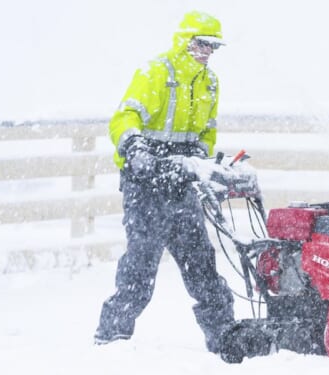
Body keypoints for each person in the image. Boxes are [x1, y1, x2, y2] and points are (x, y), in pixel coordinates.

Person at [94, 11, 235, 354]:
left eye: (213, 47)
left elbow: (207, 132)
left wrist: (200, 161)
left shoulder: (210, 82)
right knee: (140, 267)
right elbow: (123, 117)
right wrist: (135, 148)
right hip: (145, 185)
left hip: (181, 183)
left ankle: (227, 339)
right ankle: (110, 339)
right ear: (185, 41)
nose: (206, 52)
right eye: (201, 44)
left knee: (201, 264)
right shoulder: (157, 72)